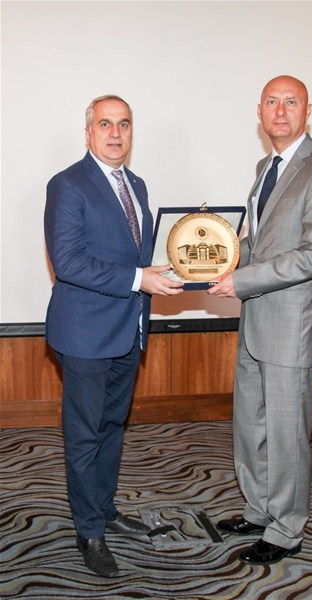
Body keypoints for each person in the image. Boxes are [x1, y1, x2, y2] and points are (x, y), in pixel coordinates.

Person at [207, 75, 312, 565]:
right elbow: (259, 241)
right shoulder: (265, 166)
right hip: (256, 321)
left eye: (291, 102)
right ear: (260, 111)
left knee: (288, 434)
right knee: (251, 424)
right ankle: (259, 509)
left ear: (308, 111)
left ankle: (287, 529)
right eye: (272, 102)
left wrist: (242, 280)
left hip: (291, 326)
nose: (281, 111)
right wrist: (216, 260)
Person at [44, 95, 183, 577]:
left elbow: (136, 255)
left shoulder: (136, 184)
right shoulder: (67, 184)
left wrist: (176, 267)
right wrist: (139, 279)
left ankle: (104, 510)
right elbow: (69, 263)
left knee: (112, 428)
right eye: (105, 124)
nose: (116, 133)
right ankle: (88, 532)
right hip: (85, 333)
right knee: (84, 436)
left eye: (124, 124)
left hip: (128, 330)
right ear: (88, 132)